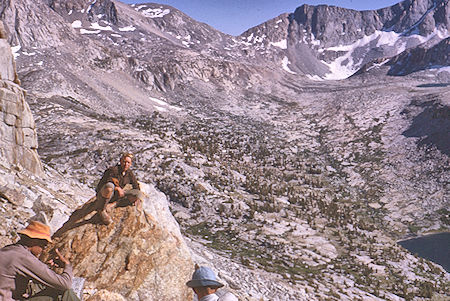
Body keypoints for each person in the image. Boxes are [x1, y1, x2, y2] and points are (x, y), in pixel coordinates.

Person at [0, 221, 80, 301]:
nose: (43, 250)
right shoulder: (24, 257)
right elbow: (65, 284)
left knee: (41, 286)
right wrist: (68, 265)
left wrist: (45, 267)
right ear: (34, 241)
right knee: (64, 292)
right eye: (43, 245)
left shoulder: (9, 249)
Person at [95, 152, 144, 225]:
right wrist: (117, 188)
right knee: (109, 187)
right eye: (124, 162)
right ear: (120, 161)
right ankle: (101, 209)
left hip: (116, 196)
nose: (126, 164)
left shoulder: (129, 173)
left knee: (138, 194)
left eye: (128, 162)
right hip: (104, 195)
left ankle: (114, 204)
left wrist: (137, 198)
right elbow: (108, 180)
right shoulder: (113, 170)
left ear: (130, 164)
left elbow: (136, 186)